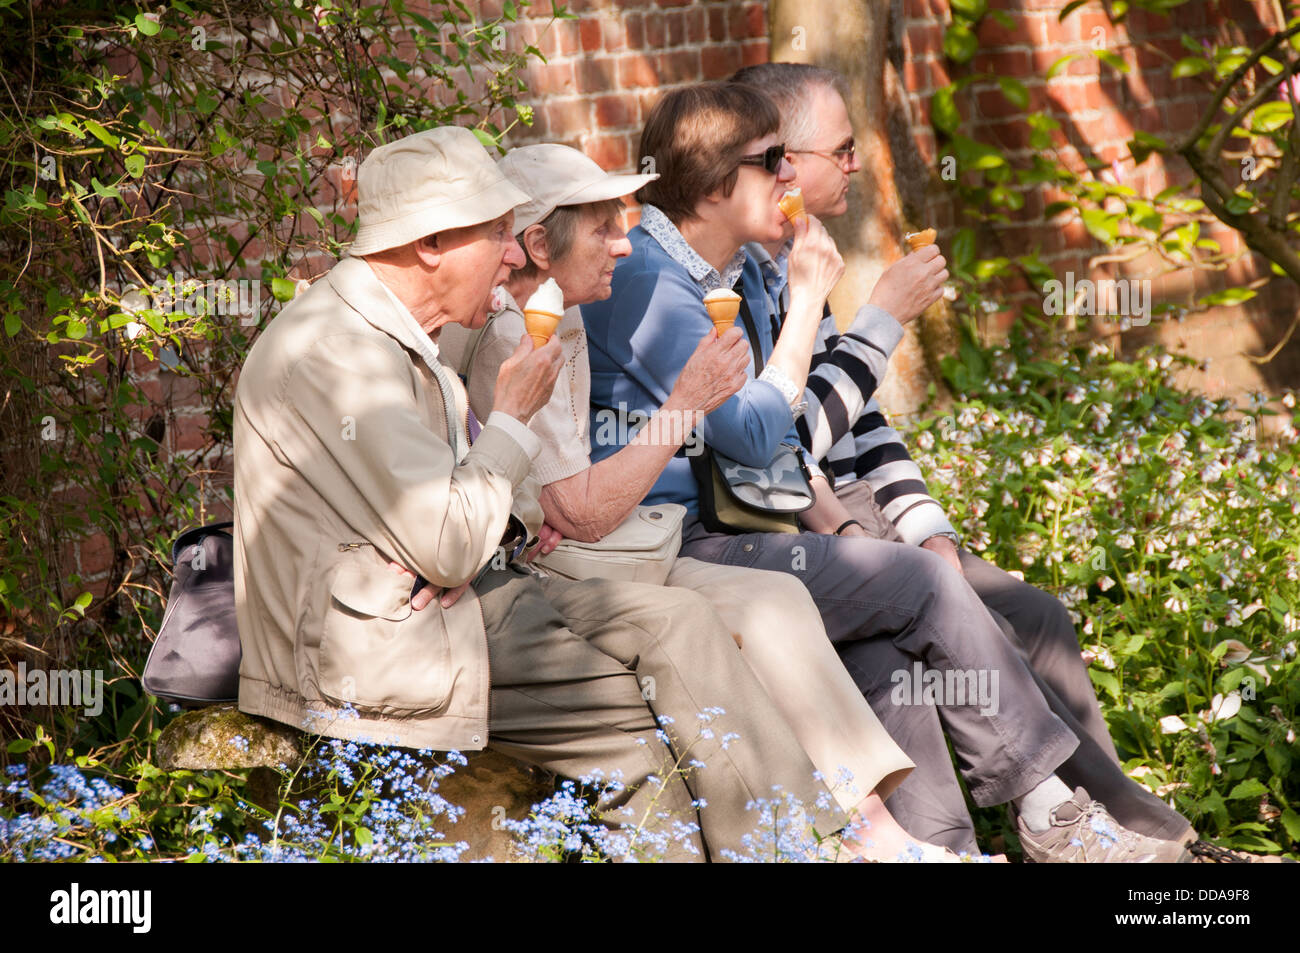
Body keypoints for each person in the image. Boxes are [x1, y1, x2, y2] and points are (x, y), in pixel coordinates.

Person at [581, 82, 1190, 861]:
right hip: (681, 542)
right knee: (925, 585)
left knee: (887, 655)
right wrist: (812, 307)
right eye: (773, 162)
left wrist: (865, 514)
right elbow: (755, 439)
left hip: (750, 524)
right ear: (712, 181)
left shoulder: (732, 269)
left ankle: (949, 848)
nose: (789, 179)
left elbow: (822, 433)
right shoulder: (655, 284)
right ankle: (1048, 817)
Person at [231, 125, 851, 862]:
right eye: (494, 232)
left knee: (681, 622)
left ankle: (807, 849)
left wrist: (492, 531)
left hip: (458, 598)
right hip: (384, 642)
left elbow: (458, 517)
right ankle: (787, 849)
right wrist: (514, 422)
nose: (510, 252)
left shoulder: (402, 332)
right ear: (430, 245)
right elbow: (452, 536)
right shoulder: (340, 353)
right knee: (640, 728)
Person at [439, 142, 980, 862]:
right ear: (539, 243)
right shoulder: (516, 328)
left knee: (775, 601)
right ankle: (839, 842)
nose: (623, 244)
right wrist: (686, 403)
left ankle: (876, 833)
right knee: (745, 613)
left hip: (613, 547)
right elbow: (584, 513)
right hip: (568, 568)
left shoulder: (558, 311)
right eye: (602, 228)